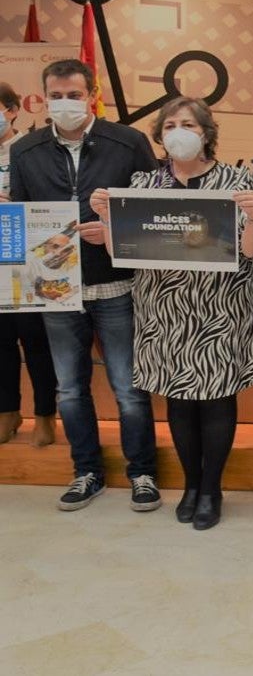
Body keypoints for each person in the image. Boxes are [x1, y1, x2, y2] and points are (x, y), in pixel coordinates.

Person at [89, 97, 253, 530]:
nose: (179, 131)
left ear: (206, 133)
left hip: (221, 310)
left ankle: (212, 488)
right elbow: (123, 252)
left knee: (217, 401)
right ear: (160, 135)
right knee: (180, 401)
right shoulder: (143, 185)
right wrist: (106, 220)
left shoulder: (236, 181)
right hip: (164, 311)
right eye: (170, 124)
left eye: (188, 123)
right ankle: (190, 484)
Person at [8, 59, 161, 512]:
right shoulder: (26, 150)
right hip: (55, 293)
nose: (65, 103)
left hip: (115, 287)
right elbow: (20, 216)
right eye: (56, 95)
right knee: (70, 389)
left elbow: (151, 213)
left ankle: (142, 473)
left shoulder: (128, 142)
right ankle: (86, 471)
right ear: (43, 97)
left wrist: (113, 229)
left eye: (74, 94)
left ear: (93, 94)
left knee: (128, 388)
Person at [0, 81, 57, 447]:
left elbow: (46, 200)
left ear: (11, 110)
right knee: (0, 342)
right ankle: (7, 411)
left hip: (25, 258)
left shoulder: (28, 149)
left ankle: (44, 415)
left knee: (35, 340)